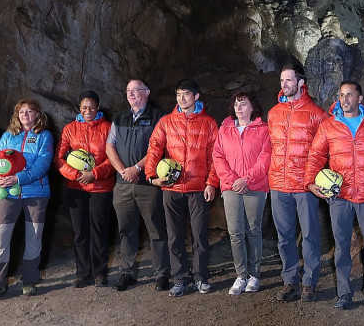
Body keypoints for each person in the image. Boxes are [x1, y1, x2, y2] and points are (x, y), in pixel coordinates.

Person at [304, 81, 364, 310]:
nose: (345, 99)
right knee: (341, 247)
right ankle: (344, 293)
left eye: (350, 95)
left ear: (360, 98)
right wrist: (310, 181)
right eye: (341, 95)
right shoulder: (329, 126)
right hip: (340, 196)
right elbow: (316, 155)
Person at [146, 79, 219, 296]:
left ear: (196, 96)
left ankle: (200, 277)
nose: (182, 98)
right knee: (174, 235)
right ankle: (180, 278)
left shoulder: (209, 123)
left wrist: (211, 183)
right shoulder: (167, 122)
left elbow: (215, 156)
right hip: (172, 187)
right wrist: (151, 176)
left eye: (186, 94)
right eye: (178, 94)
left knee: (199, 235)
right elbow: (154, 148)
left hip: (197, 187)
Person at [267, 64, 329, 302]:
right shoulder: (273, 113)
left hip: (305, 185)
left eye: (289, 80)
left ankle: (310, 282)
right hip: (279, 184)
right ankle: (290, 280)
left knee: (311, 235)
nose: (284, 84)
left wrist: (316, 178)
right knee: (284, 236)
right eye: (282, 80)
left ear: (301, 83)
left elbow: (324, 150)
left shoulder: (316, 113)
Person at [0, 99, 54, 300]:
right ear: (17, 115)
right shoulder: (7, 136)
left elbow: (43, 164)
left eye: (30, 111)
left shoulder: (44, 136)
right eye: (22, 112)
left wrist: (18, 178)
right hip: (8, 194)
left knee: (33, 236)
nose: (25, 115)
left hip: (36, 193)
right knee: (1, 237)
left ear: (38, 115)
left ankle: (30, 279)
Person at [106, 79, 168, 292]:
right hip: (122, 184)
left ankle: (162, 273)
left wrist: (137, 169)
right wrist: (123, 170)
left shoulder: (158, 117)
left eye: (136, 90)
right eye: (128, 91)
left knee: (156, 229)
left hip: (148, 184)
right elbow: (109, 146)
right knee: (126, 230)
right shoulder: (119, 117)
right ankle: (127, 273)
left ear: (147, 92)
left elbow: (157, 148)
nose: (131, 94)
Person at [213, 91, 272, 295]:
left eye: (243, 104)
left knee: (253, 231)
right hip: (231, 188)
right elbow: (218, 156)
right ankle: (241, 275)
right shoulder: (225, 129)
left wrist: (246, 179)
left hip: (255, 187)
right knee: (235, 232)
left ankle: (254, 275)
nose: (239, 108)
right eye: (236, 104)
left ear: (252, 107)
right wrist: (232, 181)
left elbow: (265, 158)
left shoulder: (263, 130)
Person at [55, 90, 115, 288]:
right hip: (76, 186)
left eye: (91, 107)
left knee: (98, 230)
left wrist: (95, 174)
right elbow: (60, 158)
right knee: (80, 231)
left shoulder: (108, 127)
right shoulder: (70, 129)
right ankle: (82, 273)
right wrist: (77, 176)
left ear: (98, 107)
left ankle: (99, 272)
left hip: (101, 187)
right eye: (84, 107)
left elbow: (113, 159)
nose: (87, 110)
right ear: (79, 108)